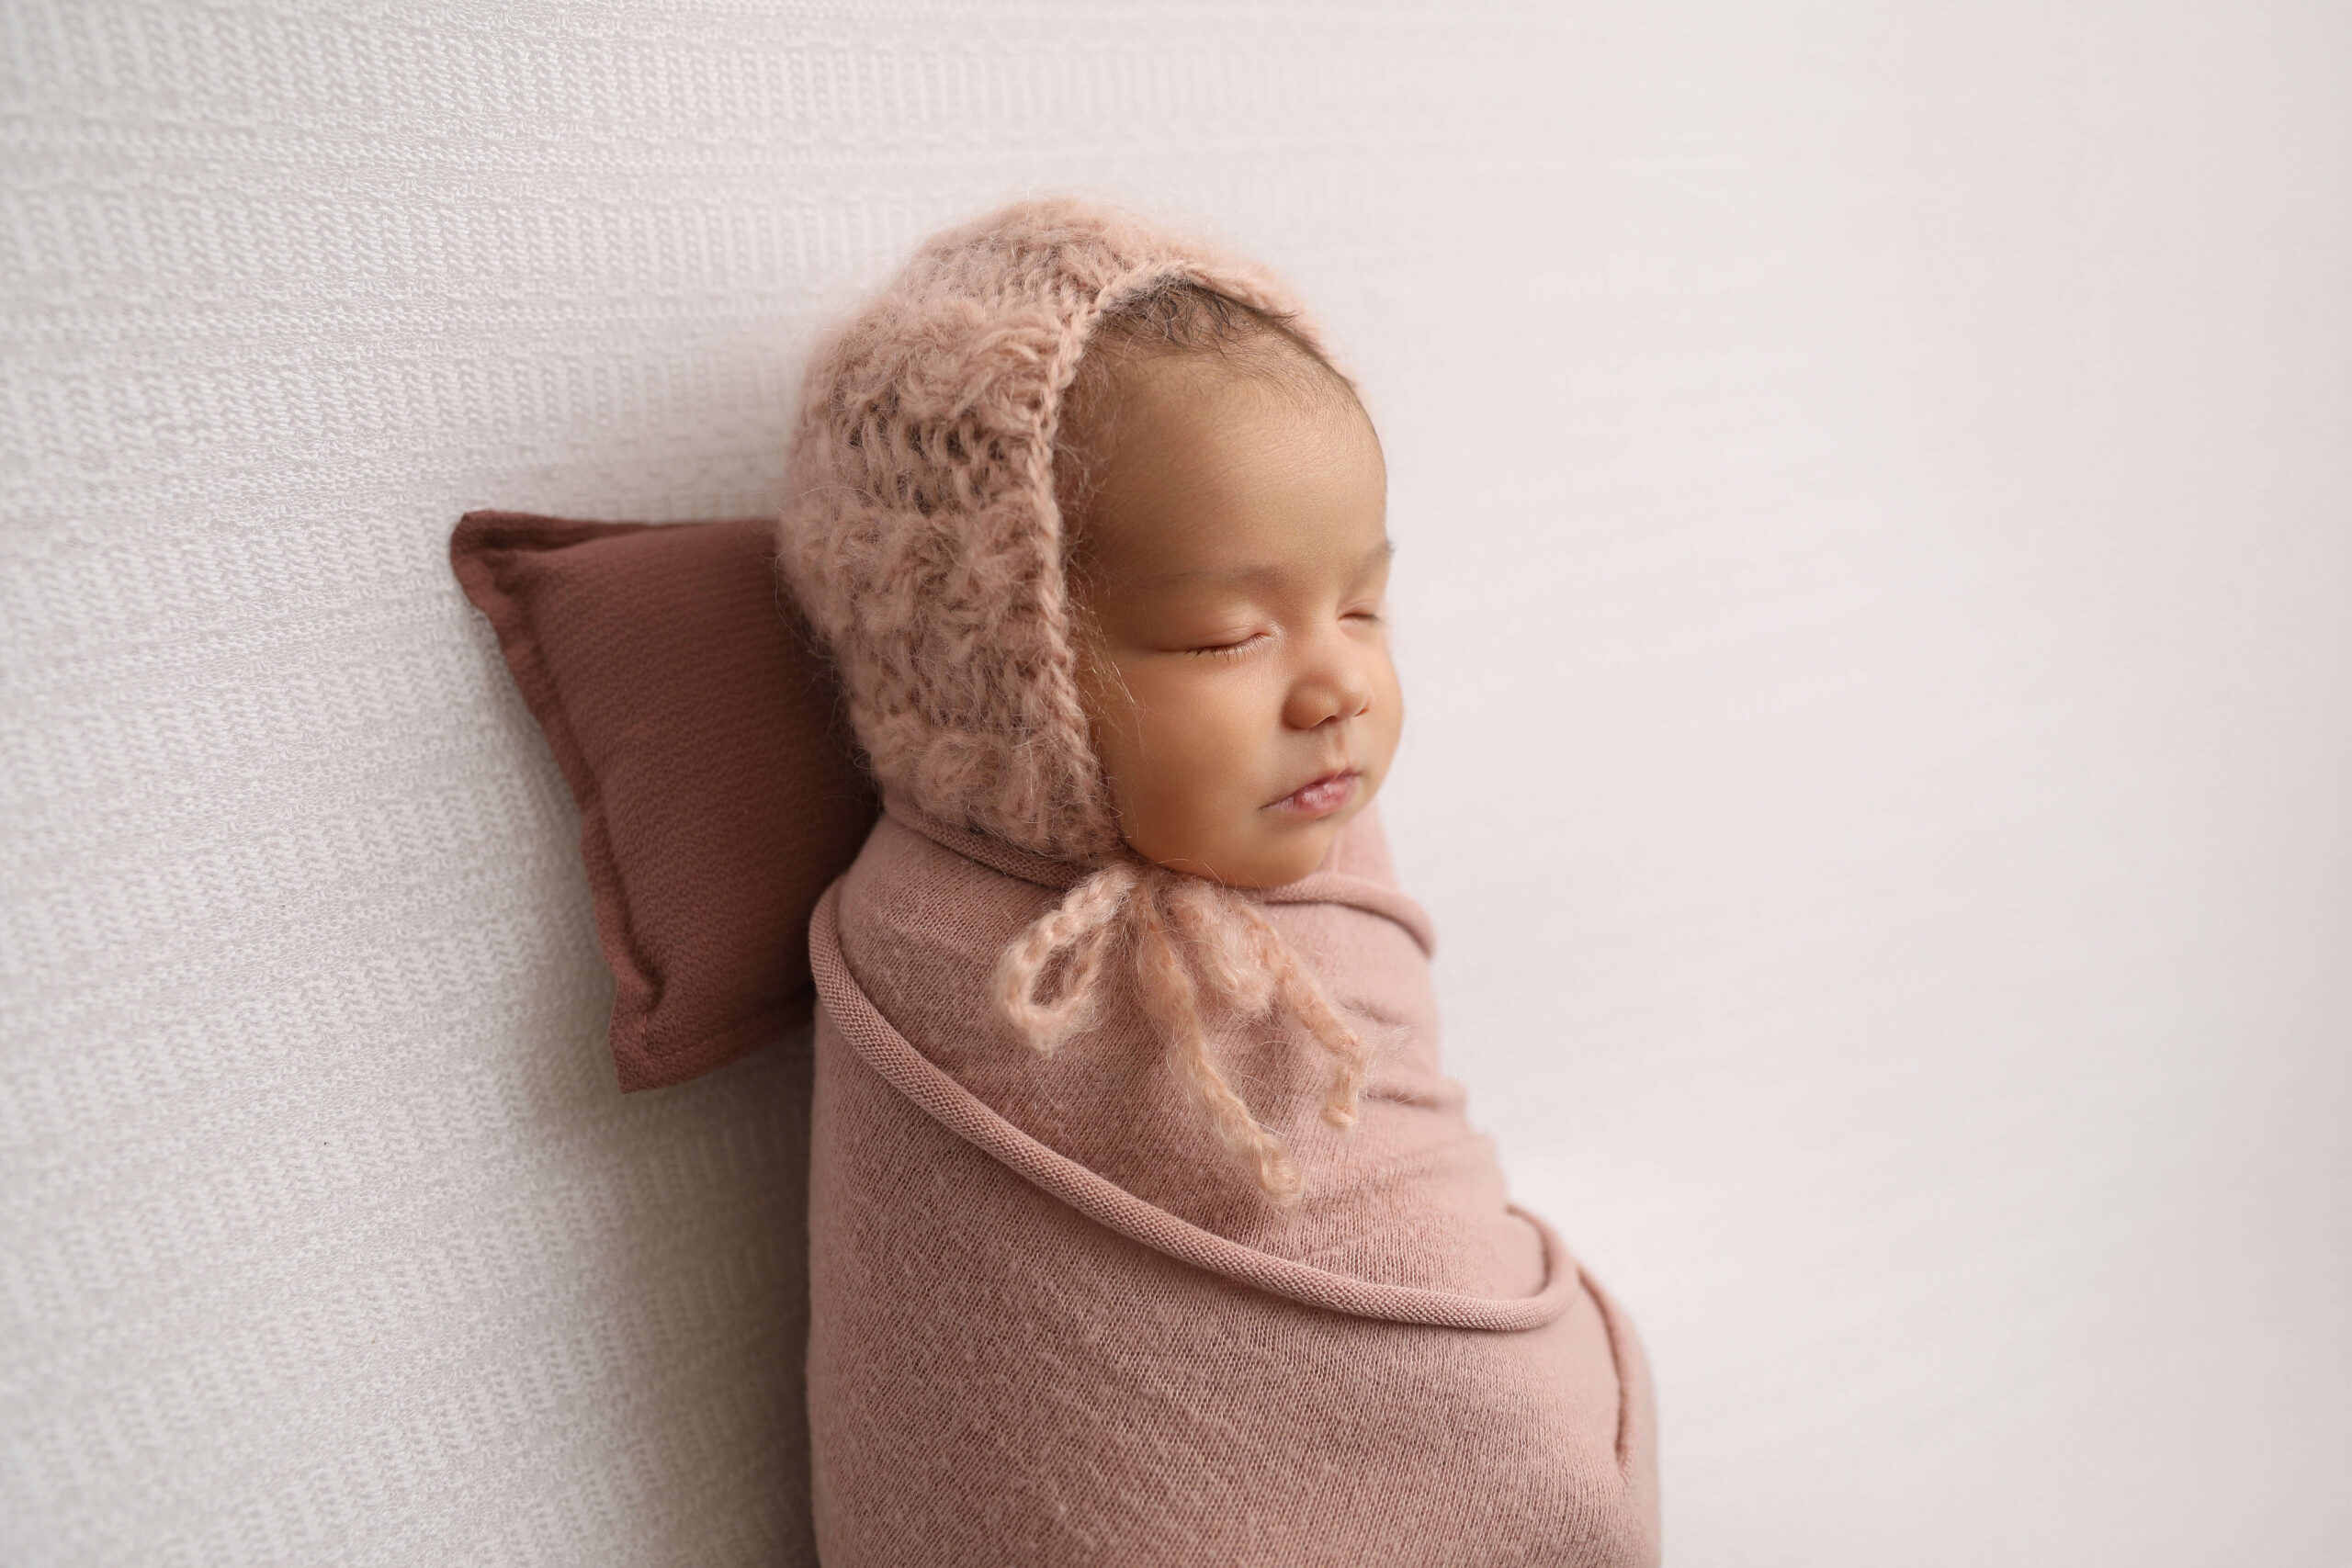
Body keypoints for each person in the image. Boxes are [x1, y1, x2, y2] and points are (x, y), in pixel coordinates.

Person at [778, 196, 1659, 1566]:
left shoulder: (1327, 862)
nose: (1340, 687)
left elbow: (1417, 1244)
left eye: (1364, 607)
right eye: (1224, 636)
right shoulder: (957, 958)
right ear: (1008, 665)